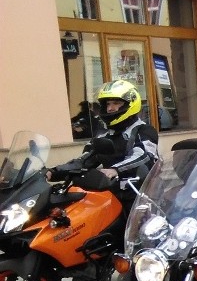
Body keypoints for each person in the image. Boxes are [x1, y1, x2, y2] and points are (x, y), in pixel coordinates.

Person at [49, 80, 158, 210]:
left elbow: (143, 156)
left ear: (130, 103)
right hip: (110, 195)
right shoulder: (103, 135)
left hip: (139, 196)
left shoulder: (143, 130)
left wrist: (115, 170)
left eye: (116, 103)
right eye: (107, 104)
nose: (110, 108)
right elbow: (84, 159)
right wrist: (54, 171)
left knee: (138, 229)